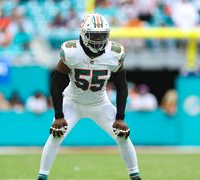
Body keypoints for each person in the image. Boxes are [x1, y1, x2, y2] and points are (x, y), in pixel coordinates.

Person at [38, 13, 141, 180]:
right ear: (84, 34)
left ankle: (135, 176)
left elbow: (122, 87)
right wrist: (58, 115)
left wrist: (120, 117)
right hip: (72, 102)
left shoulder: (115, 53)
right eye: (95, 35)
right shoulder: (72, 52)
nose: (99, 39)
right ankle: (42, 177)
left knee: (123, 136)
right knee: (56, 135)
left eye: (102, 35)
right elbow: (56, 85)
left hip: (100, 103)